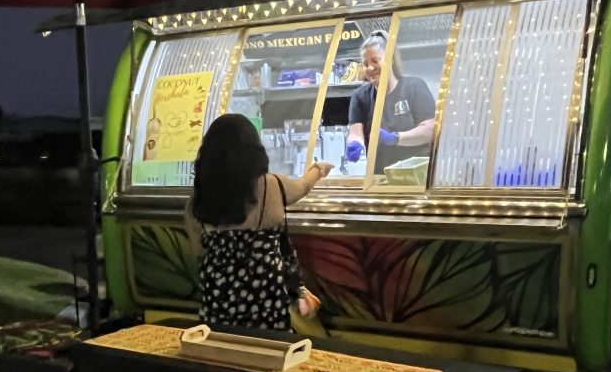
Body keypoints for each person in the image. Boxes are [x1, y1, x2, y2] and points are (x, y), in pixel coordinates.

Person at [185, 113, 333, 330]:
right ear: (255, 151)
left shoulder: (197, 201)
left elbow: (197, 251)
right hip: (267, 296)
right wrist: (318, 170)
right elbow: (302, 186)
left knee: (223, 347)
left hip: (220, 297)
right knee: (270, 348)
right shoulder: (272, 186)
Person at [345, 31, 436, 173]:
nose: (369, 68)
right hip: (379, 178)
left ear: (390, 59)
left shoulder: (414, 87)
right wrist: (355, 144)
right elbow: (356, 132)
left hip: (417, 178)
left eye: (375, 61)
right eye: (365, 63)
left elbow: (430, 130)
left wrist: (396, 138)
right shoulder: (360, 96)